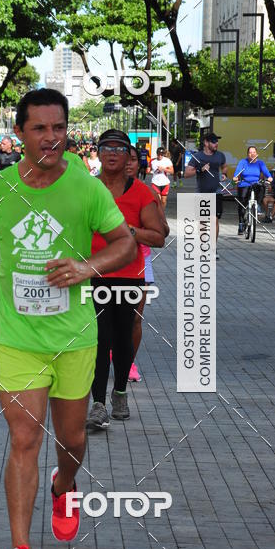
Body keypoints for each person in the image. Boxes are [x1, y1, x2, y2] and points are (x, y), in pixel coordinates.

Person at [0, 88, 135, 549]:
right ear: (19, 134)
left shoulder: (85, 188)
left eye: (59, 128)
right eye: (40, 128)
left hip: (76, 336)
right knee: (23, 436)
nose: (52, 138)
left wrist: (87, 267)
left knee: (73, 439)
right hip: (16, 335)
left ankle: (66, 484)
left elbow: (123, 243)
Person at [86, 131, 165, 428]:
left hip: (130, 277)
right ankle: (97, 403)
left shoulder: (142, 192)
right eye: (106, 147)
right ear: (99, 152)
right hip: (93, 275)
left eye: (119, 148)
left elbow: (158, 237)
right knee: (98, 339)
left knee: (121, 338)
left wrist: (129, 231)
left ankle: (120, 392)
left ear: (128, 154)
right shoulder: (87, 189)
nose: (112, 153)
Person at [126, 145, 169, 383]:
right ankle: (106, 355)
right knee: (103, 317)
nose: (130, 164)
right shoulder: (99, 190)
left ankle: (129, 362)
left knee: (134, 317)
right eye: (126, 159)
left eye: (134, 160)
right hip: (106, 260)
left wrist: (135, 230)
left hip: (140, 260)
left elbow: (163, 231)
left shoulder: (147, 192)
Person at [184, 132, 226, 252]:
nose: (216, 143)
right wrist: (200, 170)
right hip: (201, 193)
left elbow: (225, 166)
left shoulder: (220, 156)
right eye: (213, 141)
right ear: (206, 143)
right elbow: (186, 174)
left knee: (214, 220)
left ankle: (213, 247)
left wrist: (224, 173)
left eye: (217, 141)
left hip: (216, 192)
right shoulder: (198, 156)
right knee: (203, 221)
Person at [233, 146, 273, 233]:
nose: (252, 154)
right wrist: (236, 177)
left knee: (262, 187)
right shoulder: (243, 162)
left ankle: (257, 205)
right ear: (247, 154)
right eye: (250, 152)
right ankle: (241, 223)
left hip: (255, 183)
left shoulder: (260, 163)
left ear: (257, 154)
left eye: (254, 152)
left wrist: (269, 177)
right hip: (244, 183)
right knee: (242, 203)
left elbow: (266, 172)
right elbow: (237, 172)